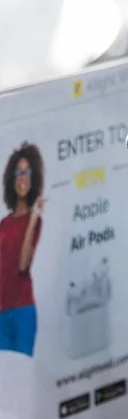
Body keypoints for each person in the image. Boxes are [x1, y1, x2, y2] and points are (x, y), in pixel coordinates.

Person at [0, 143, 44, 355]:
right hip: (1, 311)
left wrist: (33, 218)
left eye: (26, 171)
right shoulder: (4, 223)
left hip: (22, 309)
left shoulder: (35, 221)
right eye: (18, 172)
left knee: (23, 377)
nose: (22, 177)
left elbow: (23, 264)